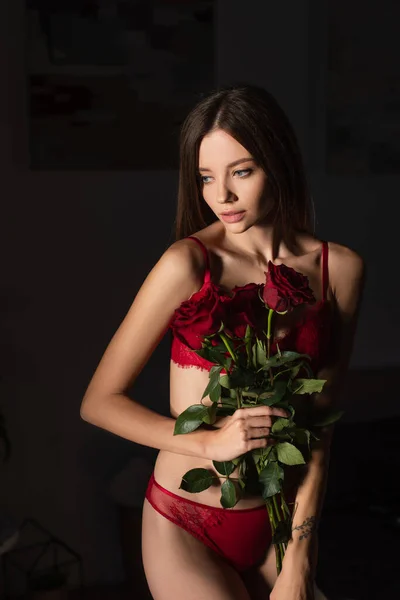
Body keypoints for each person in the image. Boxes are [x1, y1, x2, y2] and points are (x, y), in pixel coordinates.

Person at [81, 84, 365, 600]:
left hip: (279, 530)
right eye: (206, 177)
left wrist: (299, 561)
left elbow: (320, 426)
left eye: (242, 171)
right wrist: (209, 442)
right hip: (186, 523)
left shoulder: (339, 270)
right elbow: (98, 403)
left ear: (278, 162)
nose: (221, 196)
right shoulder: (188, 264)